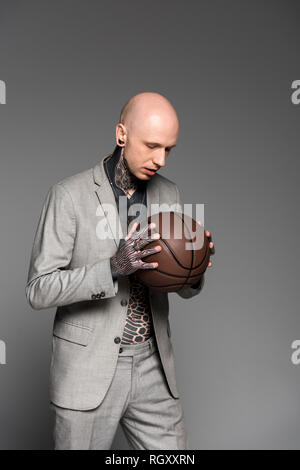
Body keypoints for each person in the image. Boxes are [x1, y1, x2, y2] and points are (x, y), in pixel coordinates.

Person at [25, 91, 215, 450]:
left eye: (169, 150)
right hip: (89, 368)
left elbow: (179, 282)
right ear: (121, 134)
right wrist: (113, 267)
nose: (160, 159)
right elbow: (38, 289)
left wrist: (196, 266)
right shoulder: (69, 195)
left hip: (153, 367)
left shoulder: (170, 194)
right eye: (152, 145)